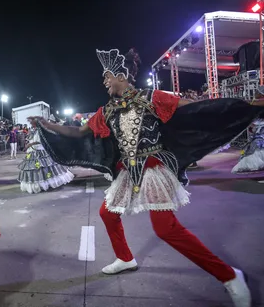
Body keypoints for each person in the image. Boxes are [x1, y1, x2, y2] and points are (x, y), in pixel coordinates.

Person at [33, 48, 264, 307]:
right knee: (108, 213)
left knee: (165, 228)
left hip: (154, 168)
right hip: (127, 171)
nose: (104, 81)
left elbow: (198, 108)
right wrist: (48, 125)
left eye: (107, 76)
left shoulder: (151, 97)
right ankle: (125, 258)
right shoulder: (107, 110)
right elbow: (78, 133)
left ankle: (230, 276)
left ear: (121, 76)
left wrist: (246, 106)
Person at [18, 119, 74, 193]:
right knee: (35, 168)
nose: (31, 125)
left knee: (45, 167)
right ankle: (39, 184)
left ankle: (47, 183)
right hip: (33, 150)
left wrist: (30, 144)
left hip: (41, 150)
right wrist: (28, 143)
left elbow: (41, 140)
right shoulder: (33, 131)